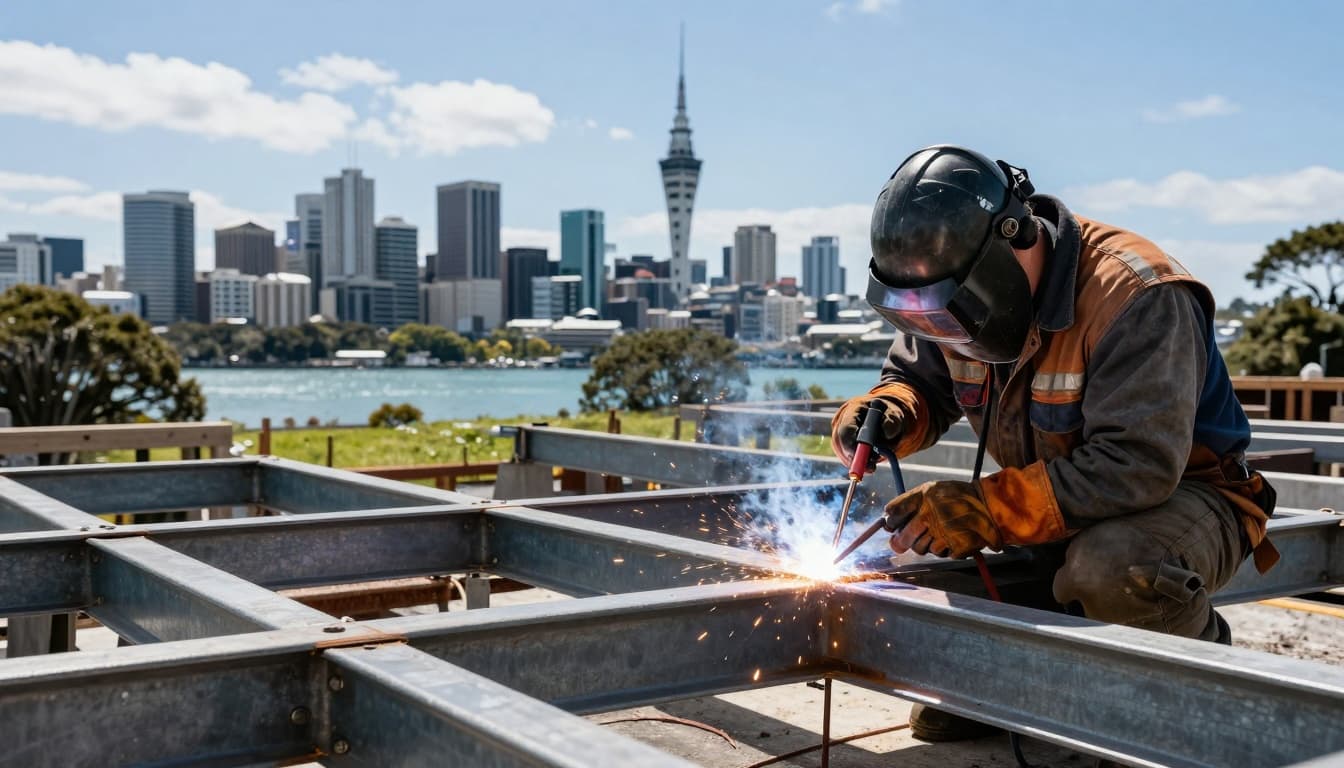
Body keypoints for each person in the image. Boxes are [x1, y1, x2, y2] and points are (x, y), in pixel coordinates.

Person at [831, 145, 1279, 742]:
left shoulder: (1138, 294)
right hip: (1056, 506)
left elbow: (1137, 468)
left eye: (947, 315)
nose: (945, 334)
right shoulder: (947, 294)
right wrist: (889, 411)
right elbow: (918, 381)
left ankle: (1208, 682)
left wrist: (988, 508)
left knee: (1114, 568)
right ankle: (1018, 685)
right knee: (904, 581)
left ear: (1009, 244)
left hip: (1184, 501)